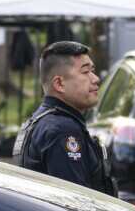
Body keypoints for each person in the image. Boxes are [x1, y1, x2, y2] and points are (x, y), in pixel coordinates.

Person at [13, 41, 117, 196]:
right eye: (85, 72)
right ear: (60, 83)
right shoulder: (62, 130)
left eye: (93, 71)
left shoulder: (39, 121)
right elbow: (75, 204)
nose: (95, 79)